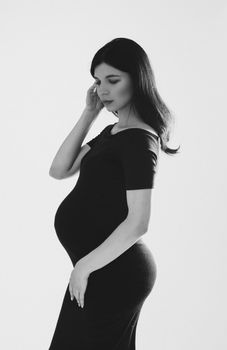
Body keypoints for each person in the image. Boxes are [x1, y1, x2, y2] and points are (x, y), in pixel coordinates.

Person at [48, 37, 180, 349]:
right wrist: (89, 113)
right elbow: (60, 169)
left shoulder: (139, 140)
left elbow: (138, 222)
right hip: (98, 271)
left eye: (112, 80)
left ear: (138, 79)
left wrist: (84, 267)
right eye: (97, 81)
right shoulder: (114, 132)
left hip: (115, 273)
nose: (102, 90)